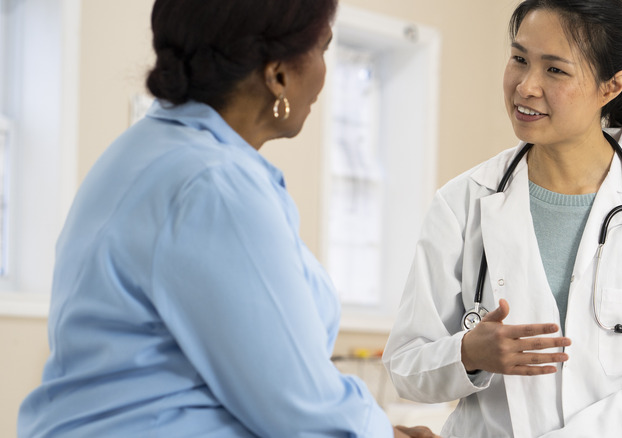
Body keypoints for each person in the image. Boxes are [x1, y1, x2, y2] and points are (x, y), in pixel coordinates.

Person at [17, 1, 437, 437]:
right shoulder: (214, 186)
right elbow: (296, 405)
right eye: (323, 50)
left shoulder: (147, 151)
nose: (322, 79)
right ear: (278, 75)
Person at [382, 0, 622, 437]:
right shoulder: (462, 202)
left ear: (611, 87)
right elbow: (406, 365)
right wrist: (468, 352)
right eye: (519, 59)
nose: (525, 86)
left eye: (555, 70)